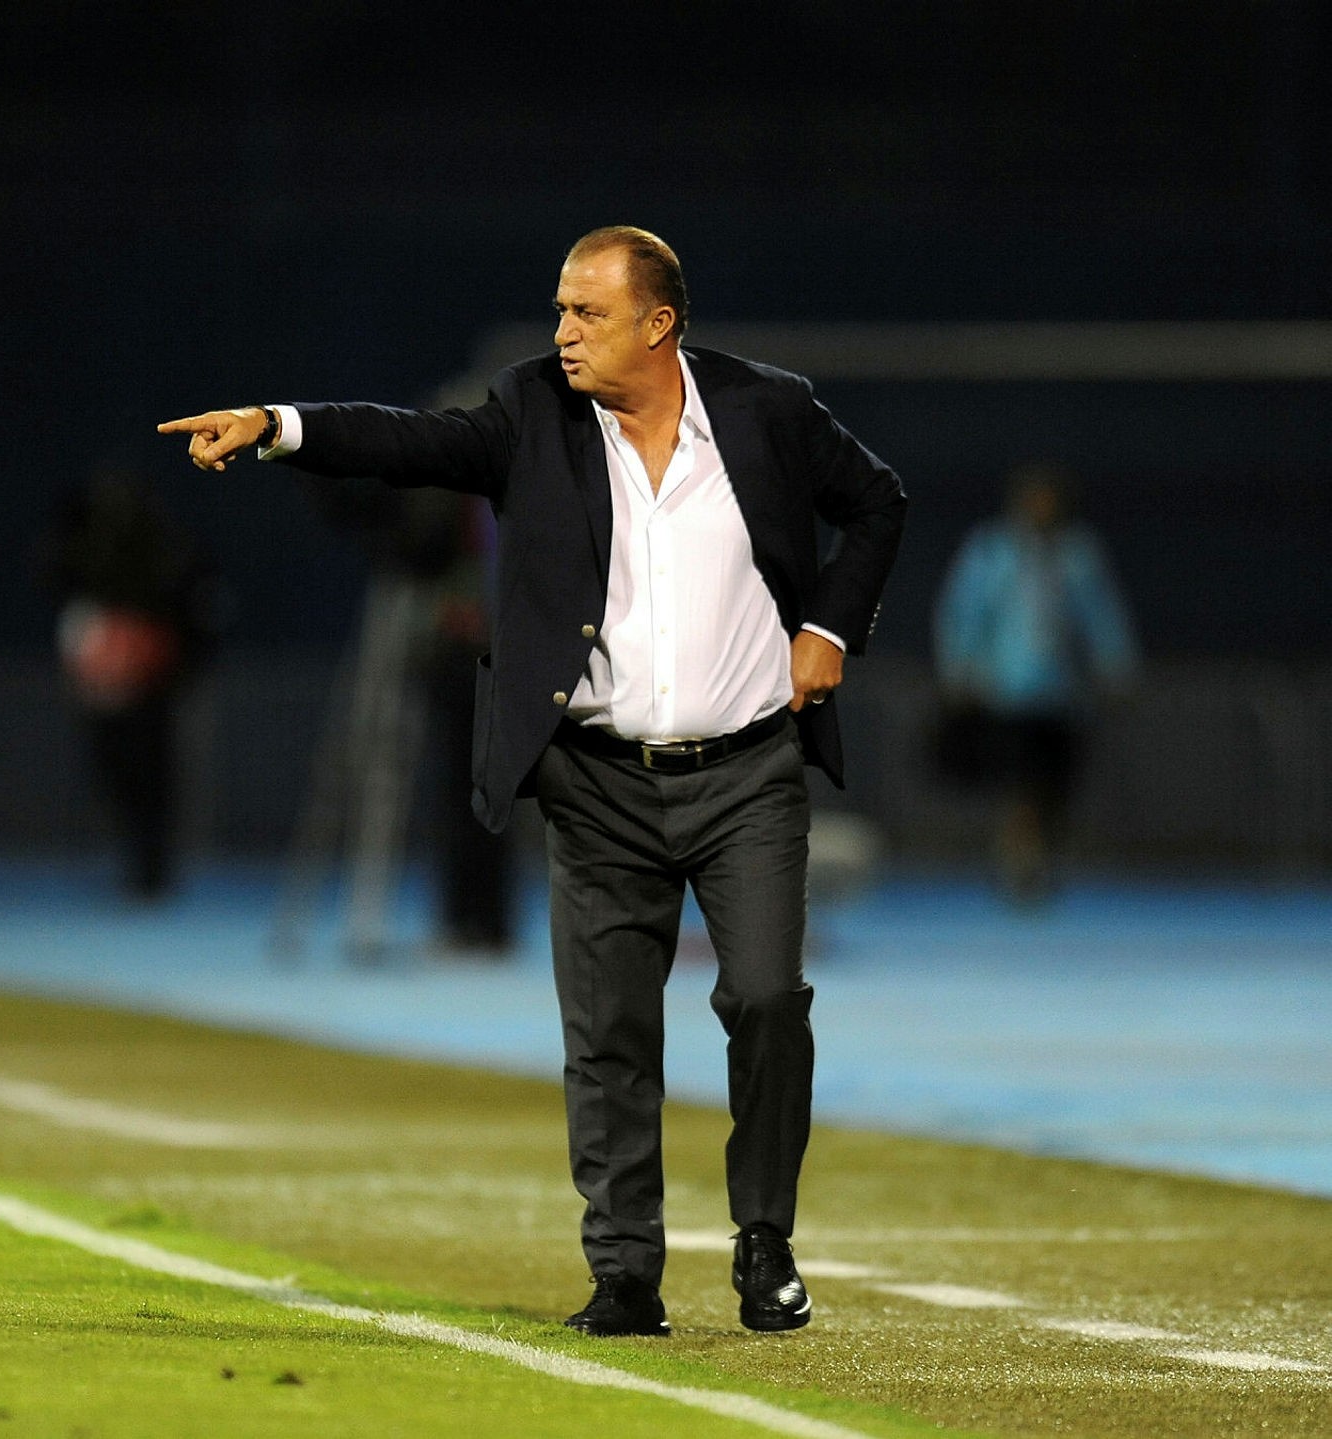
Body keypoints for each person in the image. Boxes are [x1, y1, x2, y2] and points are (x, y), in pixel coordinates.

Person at [160, 226, 905, 1336]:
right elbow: (410, 443)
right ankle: (623, 1271)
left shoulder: (766, 411)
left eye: (585, 314)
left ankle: (763, 1239)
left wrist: (829, 626)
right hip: (597, 783)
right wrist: (279, 427)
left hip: (746, 773)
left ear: (658, 325)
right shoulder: (530, 414)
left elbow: (877, 501)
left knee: (761, 1000)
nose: (561, 333)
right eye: (558, 311)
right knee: (605, 1034)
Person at [934, 464, 1137, 901]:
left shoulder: (1079, 554)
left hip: (1062, 695)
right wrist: (959, 670)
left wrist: (1116, 668)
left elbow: (1101, 617)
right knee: (1018, 783)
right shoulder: (992, 551)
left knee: (1054, 787)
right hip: (1006, 692)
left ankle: (1042, 857)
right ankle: (1017, 863)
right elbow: (962, 612)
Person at [40, 471, 219, 900]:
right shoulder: (82, 557)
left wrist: (163, 654)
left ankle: (153, 868)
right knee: (113, 767)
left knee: (152, 770)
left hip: (155, 686)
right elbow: (54, 580)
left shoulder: (167, 554)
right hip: (107, 689)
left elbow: (195, 618)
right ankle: (138, 862)